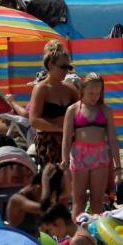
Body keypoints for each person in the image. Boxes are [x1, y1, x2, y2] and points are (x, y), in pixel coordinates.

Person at [60, 72, 121, 217]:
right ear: (83, 90)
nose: (95, 97)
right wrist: (65, 160)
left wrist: (117, 166)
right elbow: (67, 138)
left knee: (97, 200)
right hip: (79, 154)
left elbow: (112, 139)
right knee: (78, 200)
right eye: (91, 93)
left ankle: (95, 235)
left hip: (100, 155)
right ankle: (76, 234)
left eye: (98, 93)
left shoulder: (106, 110)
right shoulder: (73, 110)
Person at [30, 41, 78, 170]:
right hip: (49, 143)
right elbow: (34, 120)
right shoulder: (42, 89)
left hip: (69, 140)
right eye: (63, 67)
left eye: (68, 67)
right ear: (50, 65)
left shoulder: (70, 89)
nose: (66, 71)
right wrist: (60, 129)